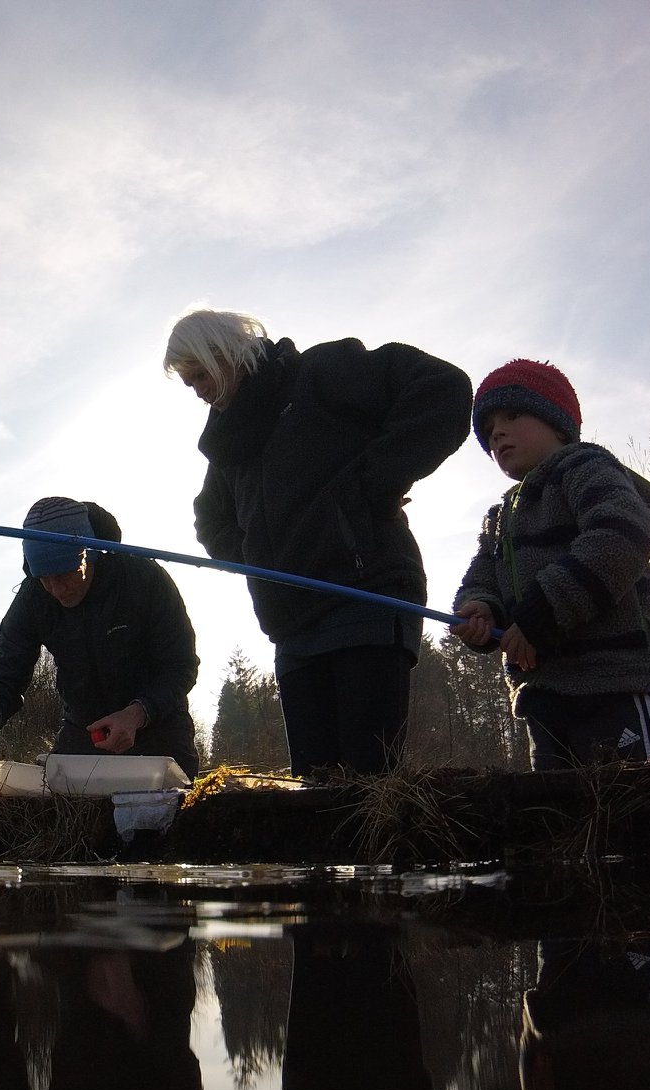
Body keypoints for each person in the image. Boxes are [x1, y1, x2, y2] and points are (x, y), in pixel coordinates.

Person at [164, 309, 472, 775]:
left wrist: (375, 483)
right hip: (292, 628)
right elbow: (210, 522)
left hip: (366, 598)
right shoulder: (229, 448)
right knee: (316, 790)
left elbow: (442, 388)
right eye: (188, 383)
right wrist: (255, 556)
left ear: (226, 353)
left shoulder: (322, 374)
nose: (198, 389)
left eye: (201, 374)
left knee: (367, 782)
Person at [451, 359, 650, 770]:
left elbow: (620, 534)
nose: (495, 432)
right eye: (487, 429)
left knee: (649, 809)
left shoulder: (585, 466)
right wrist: (480, 609)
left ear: (556, 423)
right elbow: (479, 578)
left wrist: (543, 613)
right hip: (542, 700)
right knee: (557, 822)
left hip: (615, 684)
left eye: (512, 415)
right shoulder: (498, 517)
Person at [0, 497, 199, 775]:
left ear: (90, 555)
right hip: (83, 732)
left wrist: (137, 714)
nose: (56, 589)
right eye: (44, 578)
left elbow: (181, 666)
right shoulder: (34, 598)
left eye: (65, 575)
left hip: (158, 729)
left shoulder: (144, 580)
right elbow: (7, 669)